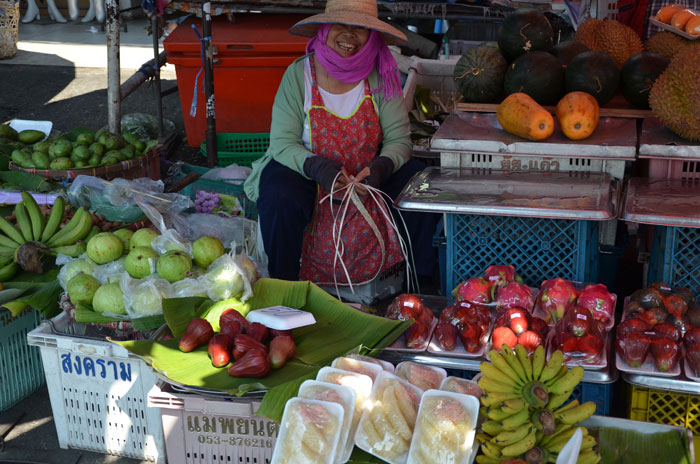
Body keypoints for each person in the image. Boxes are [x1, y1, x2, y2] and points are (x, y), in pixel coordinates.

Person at [243, 0, 439, 288]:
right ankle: (284, 287)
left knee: (420, 184)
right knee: (278, 194)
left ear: (371, 36)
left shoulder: (381, 75)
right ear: (324, 29)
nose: (349, 35)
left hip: (365, 174)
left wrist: (382, 166)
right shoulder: (299, 75)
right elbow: (283, 143)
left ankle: (418, 289)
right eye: (341, 26)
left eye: (360, 28)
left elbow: (399, 140)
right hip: (307, 169)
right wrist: (317, 167)